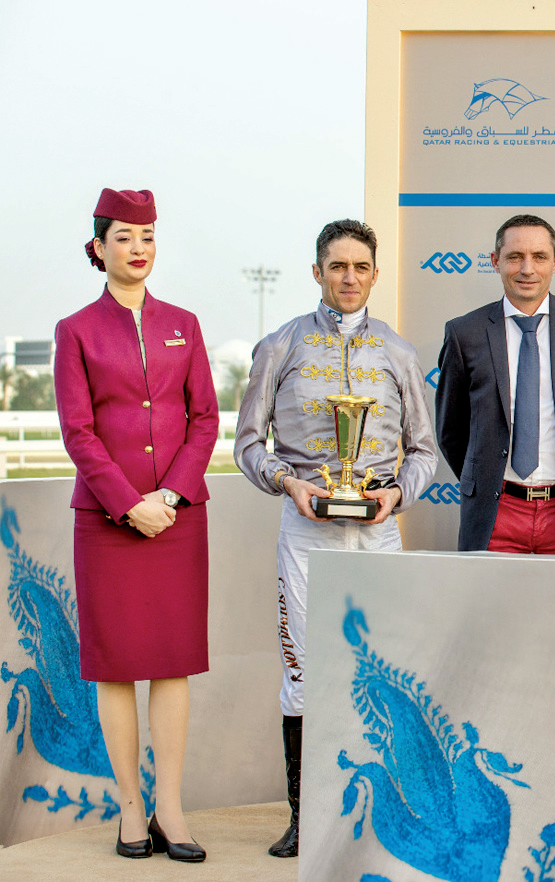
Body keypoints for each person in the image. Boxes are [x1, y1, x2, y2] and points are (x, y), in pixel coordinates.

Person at [234, 218, 437, 857]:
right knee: (304, 671)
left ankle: (382, 820)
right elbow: (247, 444)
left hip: (376, 534)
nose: (349, 277)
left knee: (383, 671)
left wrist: (396, 495)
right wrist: (287, 483)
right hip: (306, 529)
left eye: (360, 267)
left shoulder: (398, 352)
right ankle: (305, 817)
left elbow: (424, 451)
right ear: (317, 272)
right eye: (338, 266)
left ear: (375, 274)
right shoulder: (281, 344)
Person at [54, 188, 216, 861]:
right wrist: (129, 503)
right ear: (99, 248)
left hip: (177, 518)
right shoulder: (76, 330)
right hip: (107, 520)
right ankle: (129, 808)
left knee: (172, 663)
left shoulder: (185, 323)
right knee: (116, 665)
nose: (138, 247)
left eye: (147, 235)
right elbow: (78, 431)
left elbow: (205, 419)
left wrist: (169, 496)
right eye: (124, 236)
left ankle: (169, 808)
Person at [435, 214, 555, 553]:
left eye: (539, 257)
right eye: (515, 257)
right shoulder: (464, 333)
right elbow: (451, 429)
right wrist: (484, 478)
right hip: (496, 513)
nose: (527, 269)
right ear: (495, 261)